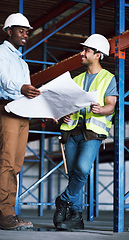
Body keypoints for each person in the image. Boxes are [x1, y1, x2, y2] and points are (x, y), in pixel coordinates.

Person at [53, 34, 118, 231]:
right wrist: (63, 114)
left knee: (82, 169)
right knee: (73, 174)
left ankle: (63, 200)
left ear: (97, 55)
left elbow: (111, 106)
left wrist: (101, 110)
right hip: (72, 131)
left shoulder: (108, 78)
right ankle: (75, 217)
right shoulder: (77, 78)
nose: (82, 53)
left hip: (93, 132)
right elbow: (67, 105)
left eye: (86, 51)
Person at [0, 13, 41, 230]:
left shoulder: (21, 61)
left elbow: (26, 92)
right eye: (21, 30)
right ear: (8, 31)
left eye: (27, 31)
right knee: (7, 161)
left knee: (16, 164)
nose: (25, 34)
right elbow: (2, 78)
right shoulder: (0, 52)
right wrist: (20, 88)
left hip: (20, 111)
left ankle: (10, 211)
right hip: (5, 108)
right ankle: (4, 214)